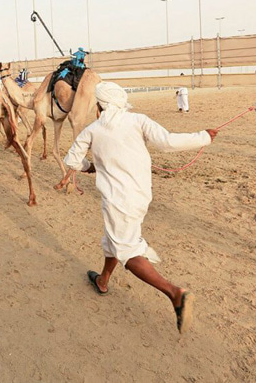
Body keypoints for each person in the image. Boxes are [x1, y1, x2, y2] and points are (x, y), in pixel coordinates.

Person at [63, 81, 218, 334]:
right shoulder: (138, 120)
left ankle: (175, 293)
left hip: (117, 201)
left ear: (99, 106)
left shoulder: (91, 130)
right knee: (114, 238)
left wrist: (88, 167)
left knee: (126, 249)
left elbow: (71, 160)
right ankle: (103, 280)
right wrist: (204, 136)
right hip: (141, 196)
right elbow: (168, 141)